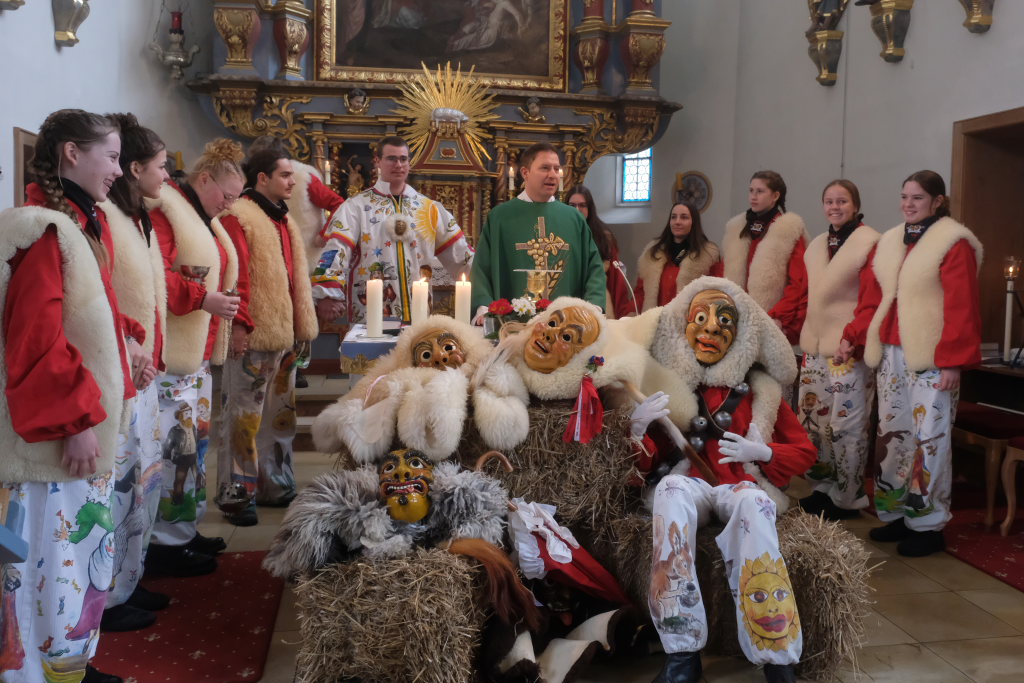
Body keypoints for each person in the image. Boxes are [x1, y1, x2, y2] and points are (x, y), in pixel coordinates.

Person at [0, 108, 137, 683]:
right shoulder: (44, 229)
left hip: (77, 423)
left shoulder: (75, 223)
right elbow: (36, 339)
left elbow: (83, 316)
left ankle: (69, 667)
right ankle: (44, 673)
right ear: (72, 154)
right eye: (112, 156)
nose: (119, 170)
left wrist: (127, 338)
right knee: (51, 567)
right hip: (56, 436)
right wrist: (75, 420)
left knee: (79, 564)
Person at [627, 277, 816, 683]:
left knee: (755, 505)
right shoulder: (673, 389)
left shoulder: (761, 392)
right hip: (689, 482)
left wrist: (763, 453)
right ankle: (682, 653)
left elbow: (804, 452)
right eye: (700, 318)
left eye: (724, 322)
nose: (711, 329)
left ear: (740, 335)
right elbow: (643, 467)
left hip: (739, 484)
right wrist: (638, 430)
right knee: (669, 491)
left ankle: (778, 656)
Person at [858, 171, 982, 557]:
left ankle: (928, 524)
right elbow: (876, 296)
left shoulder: (953, 242)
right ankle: (897, 512)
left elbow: (962, 305)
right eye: (904, 197)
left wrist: (953, 362)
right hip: (891, 350)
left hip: (932, 356)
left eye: (917, 198)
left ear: (937, 201)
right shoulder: (893, 239)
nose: (908, 204)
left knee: (930, 438)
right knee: (892, 435)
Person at [146, 139, 242, 574]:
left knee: (196, 447)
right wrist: (203, 299)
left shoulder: (202, 216)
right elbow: (157, 275)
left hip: (198, 353)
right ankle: (165, 544)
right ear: (204, 179)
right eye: (226, 195)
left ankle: (185, 528)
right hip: (172, 356)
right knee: (177, 451)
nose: (229, 205)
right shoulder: (167, 211)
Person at [215, 147, 319, 526]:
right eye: (285, 175)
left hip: (284, 335)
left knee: (280, 418)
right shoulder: (239, 216)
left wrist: (301, 325)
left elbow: (292, 277)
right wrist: (240, 325)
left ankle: (275, 485)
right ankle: (237, 495)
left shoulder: (280, 217)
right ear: (262, 178)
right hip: (255, 334)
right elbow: (235, 277)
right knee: (243, 418)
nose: (293, 181)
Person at [97, 113, 170, 631]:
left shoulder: (137, 217)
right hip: (120, 367)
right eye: (161, 166)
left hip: (142, 364)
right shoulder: (106, 217)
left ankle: (129, 577)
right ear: (135, 167)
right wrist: (130, 345)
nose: (166, 175)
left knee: (142, 479)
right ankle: (111, 595)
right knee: (121, 483)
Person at [311, 136, 474, 325]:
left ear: (409, 163)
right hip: (371, 316)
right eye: (391, 158)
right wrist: (326, 291)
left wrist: (488, 281)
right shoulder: (355, 206)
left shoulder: (430, 209)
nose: (398, 165)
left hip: (419, 317)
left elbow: (460, 254)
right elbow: (335, 248)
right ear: (377, 161)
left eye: (403, 159)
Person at [797, 180, 881, 521]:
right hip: (814, 346)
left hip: (847, 351)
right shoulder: (816, 245)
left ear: (855, 204)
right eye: (829, 201)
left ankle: (847, 498)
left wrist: (853, 336)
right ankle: (822, 489)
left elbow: (872, 300)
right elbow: (807, 296)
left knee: (846, 427)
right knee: (814, 422)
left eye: (842, 201)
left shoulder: (869, 243)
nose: (835, 207)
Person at [470, 143, 606, 317]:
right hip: (512, 323)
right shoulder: (500, 218)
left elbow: (594, 268)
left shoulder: (574, 219)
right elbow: (481, 270)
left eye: (556, 169)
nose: (553, 175)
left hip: (567, 324)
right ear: (525, 173)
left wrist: (594, 305)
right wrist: (483, 308)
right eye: (545, 168)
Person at [713, 171, 808, 344]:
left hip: (771, 320)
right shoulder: (736, 229)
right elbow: (723, 274)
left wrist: (778, 317)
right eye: (751, 190)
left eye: (760, 191)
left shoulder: (789, 231)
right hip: (734, 319)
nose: (753, 196)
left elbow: (798, 283)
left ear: (775, 196)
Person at [566, 184, 637, 318]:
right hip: (567, 299)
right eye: (572, 205)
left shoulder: (603, 237)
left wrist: (623, 313)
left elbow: (616, 279)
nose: (577, 210)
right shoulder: (558, 235)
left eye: (582, 205)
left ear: (590, 208)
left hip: (599, 302)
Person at [635, 201, 720, 312]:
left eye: (684, 217)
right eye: (673, 217)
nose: (677, 222)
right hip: (655, 319)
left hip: (690, 320)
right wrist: (630, 316)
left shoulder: (708, 255)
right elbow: (640, 293)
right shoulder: (652, 253)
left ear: (693, 222)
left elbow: (716, 294)